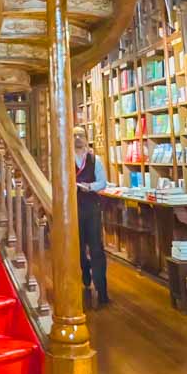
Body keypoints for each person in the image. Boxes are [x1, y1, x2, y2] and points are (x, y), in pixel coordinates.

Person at [74, 130, 109, 308]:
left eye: (81, 135)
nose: (78, 138)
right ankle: (84, 269)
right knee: (78, 246)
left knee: (96, 246)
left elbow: (103, 182)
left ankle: (102, 290)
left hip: (92, 207)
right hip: (74, 208)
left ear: (87, 138)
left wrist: (90, 186)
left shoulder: (95, 160)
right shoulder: (66, 160)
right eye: (74, 135)